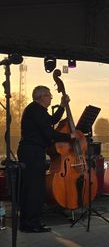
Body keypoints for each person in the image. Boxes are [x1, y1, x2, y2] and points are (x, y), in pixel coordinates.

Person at [18, 86, 75, 233]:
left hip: (32, 151)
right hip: (32, 152)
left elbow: (51, 120)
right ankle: (31, 224)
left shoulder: (37, 110)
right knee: (35, 189)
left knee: (32, 188)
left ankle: (28, 222)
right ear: (42, 97)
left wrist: (62, 106)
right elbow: (50, 133)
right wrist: (70, 137)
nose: (51, 98)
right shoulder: (35, 110)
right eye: (49, 95)